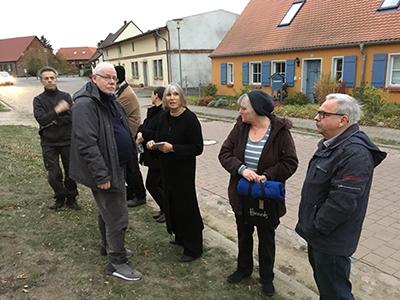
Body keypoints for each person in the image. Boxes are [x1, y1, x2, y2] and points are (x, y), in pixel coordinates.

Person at [295, 94, 387, 300]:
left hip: (331, 239)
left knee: (337, 293)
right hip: (320, 235)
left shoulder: (355, 153)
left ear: (343, 120)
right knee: (327, 289)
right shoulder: (333, 143)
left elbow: (343, 201)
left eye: (323, 114)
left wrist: (318, 227)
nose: (316, 117)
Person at [218, 90, 298, 297]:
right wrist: (242, 169)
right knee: (244, 234)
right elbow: (225, 152)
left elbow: (290, 162)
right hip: (242, 193)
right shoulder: (240, 126)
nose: (240, 112)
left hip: (266, 196)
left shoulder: (280, 132)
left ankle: (267, 277)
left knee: (266, 238)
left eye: (244, 108)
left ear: (258, 111)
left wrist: (266, 175)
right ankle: (243, 269)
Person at [70, 62, 142, 281]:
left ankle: (107, 247)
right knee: (118, 216)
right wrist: (102, 175)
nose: (112, 82)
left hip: (116, 164)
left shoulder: (108, 98)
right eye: (107, 77)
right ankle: (117, 262)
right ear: (94, 78)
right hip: (104, 169)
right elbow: (87, 143)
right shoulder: (85, 104)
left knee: (106, 211)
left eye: (114, 78)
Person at [147, 83, 204, 262]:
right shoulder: (164, 117)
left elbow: (197, 147)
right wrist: (153, 143)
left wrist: (174, 149)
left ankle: (194, 248)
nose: (172, 98)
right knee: (171, 204)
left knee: (186, 207)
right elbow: (160, 136)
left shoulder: (190, 118)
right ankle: (180, 237)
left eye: (175, 94)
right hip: (167, 168)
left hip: (184, 171)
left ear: (181, 97)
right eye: (169, 95)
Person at [33, 66, 80, 210]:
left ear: (56, 79)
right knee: (54, 174)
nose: (50, 81)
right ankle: (60, 196)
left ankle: (71, 198)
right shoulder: (38, 100)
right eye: (46, 78)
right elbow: (41, 119)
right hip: (49, 142)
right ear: (41, 81)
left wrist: (53, 120)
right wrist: (57, 110)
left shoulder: (66, 97)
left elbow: (72, 117)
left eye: (52, 78)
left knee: (70, 171)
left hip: (67, 140)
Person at [114, 65, 146, 208]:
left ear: (117, 78)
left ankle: (140, 195)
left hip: (131, 135)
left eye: (111, 77)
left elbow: (115, 115)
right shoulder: (120, 91)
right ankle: (132, 192)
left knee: (132, 168)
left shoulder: (126, 95)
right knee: (127, 167)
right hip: (126, 135)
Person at [136, 86, 166, 223]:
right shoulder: (153, 111)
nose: (151, 96)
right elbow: (143, 126)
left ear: (156, 95)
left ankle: (167, 210)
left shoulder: (163, 114)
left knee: (152, 184)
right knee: (158, 184)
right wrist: (141, 133)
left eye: (152, 94)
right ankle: (164, 209)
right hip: (151, 155)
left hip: (158, 156)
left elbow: (159, 134)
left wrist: (144, 135)